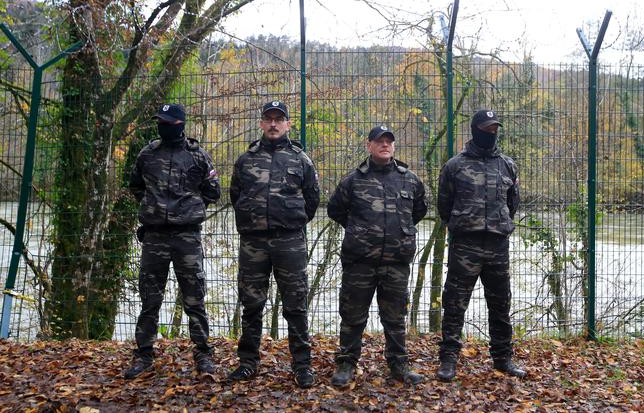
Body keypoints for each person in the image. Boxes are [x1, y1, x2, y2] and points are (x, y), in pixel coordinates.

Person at [124, 103, 221, 379]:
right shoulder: (147, 154)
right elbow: (135, 186)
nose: (162, 126)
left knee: (194, 297)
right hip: (154, 236)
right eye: (160, 121)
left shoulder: (197, 156)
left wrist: (188, 208)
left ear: (180, 124)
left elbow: (213, 191)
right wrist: (153, 207)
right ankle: (143, 354)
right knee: (149, 298)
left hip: (186, 236)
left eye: (167, 121)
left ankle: (203, 353)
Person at [228, 100, 320, 389]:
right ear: (261, 123)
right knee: (252, 304)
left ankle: (302, 366)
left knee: (295, 304)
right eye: (268, 119)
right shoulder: (246, 159)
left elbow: (312, 198)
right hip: (254, 242)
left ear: (288, 124)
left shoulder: (300, 159)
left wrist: (291, 220)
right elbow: (235, 194)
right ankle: (247, 363)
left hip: (289, 241)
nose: (273, 124)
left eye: (279, 119)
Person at [327, 125, 428, 387]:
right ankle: (346, 363)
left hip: (395, 262)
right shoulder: (352, 181)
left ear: (394, 146)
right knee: (352, 315)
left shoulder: (410, 180)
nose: (385, 145)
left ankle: (399, 364)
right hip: (360, 262)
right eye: (379, 141)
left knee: (395, 317)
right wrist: (361, 233)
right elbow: (336, 210)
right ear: (369, 145)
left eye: (389, 141)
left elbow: (418, 212)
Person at [436, 109, 526, 381]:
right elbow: (444, 206)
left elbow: (513, 204)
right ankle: (448, 360)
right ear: (475, 130)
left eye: (495, 129)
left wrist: (498, 225)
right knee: (454, 304)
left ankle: (503, 359)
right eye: (486, 129)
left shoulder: (508, 165)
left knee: (500, 304)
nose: (491, 133)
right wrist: (466, 225)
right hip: (465, 245)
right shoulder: (455, 166)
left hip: (497, 245)